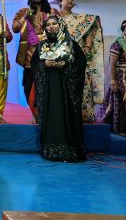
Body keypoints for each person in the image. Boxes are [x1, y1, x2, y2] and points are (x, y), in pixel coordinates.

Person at [31, 15, 87, 162]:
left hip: (66, 88)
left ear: (60, 25)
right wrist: (45, 65)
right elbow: (35, 64)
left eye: (54, 24)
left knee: (67, 114)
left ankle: (70, 149)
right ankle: (51, 150)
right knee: (51, 116)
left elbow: (81, 62)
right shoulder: (41, 45)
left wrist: (67, 65)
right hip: (49, 87)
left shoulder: (71, 44)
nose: (51, 27)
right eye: (48, 25)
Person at [12, 0, 60, 121]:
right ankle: (34, 114)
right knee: (28, 85)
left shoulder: (52, 11)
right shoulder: (23, 12)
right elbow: (15, 28)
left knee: (47, 85)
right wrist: (25, 18)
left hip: (49, 55)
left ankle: (47, 114)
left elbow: (61, 30)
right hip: (29, 56)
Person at [58, 0, 105, 122]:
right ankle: (63, 115)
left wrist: (87, 48)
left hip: (78, 56)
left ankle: (84, 114)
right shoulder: (54, 18)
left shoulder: (82, 19)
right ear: (60, 2)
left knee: (83, 83)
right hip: (60, 55)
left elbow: (89, 31)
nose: (70, 1)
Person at [102, 19, 126, 136]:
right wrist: (113, 82)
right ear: (123, 30)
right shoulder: (118, 43)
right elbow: (112, 64)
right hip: (123, 76)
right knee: (125, 101)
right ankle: (123, 130)